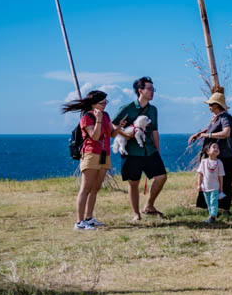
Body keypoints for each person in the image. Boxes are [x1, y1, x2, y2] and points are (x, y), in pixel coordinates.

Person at [112, 77, 167, 221]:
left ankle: (149, 205)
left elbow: (155, 130)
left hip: (149, 150)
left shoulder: (153, 110)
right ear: (140, 90)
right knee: (134, 182)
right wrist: (125, 134)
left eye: (153, 89)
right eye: (149, 89)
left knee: (161, 177)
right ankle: (136, 213)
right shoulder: (127, 108)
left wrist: (158, 150)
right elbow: (112, 126)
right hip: (131, 152)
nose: (152, 92)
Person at [62, 90, 113, 231]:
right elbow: (95, 136)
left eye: (105, 102)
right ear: (93, 104)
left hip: (104, 154)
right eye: (102, 103)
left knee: (95, 188)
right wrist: (98, 120)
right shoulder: (86, 118)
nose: (105, 105)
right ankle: (79, 222)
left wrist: (118, 126)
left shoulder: (106, 115)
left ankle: (89, 218)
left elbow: (110, 133)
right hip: (90, 154)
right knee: (85, 188)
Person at [188, 92, 232, 213]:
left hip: (224, 157)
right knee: (210, 181)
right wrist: (198, 134)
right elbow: (210, 128)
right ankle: (211, 207)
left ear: (217, 105)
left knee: (224, 182)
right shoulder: (217, 118)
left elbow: (226, 132)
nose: (209, 107)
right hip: (216, 157)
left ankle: (224, 209)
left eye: (211, 105)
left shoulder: (225, 118)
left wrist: (207, 135)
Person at [195, 142, 226, 224]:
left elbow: (221, 176)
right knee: (208, 202)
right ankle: (211, 215)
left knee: (213, 201)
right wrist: (199, 185)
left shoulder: (219, 163)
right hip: (205, 187)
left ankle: (213, 216)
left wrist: (221, 188)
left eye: (218, 148)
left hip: (215, 187)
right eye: (214, 147)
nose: (216, 149)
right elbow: (200, 174)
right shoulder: (204, 162)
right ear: (207, 151)